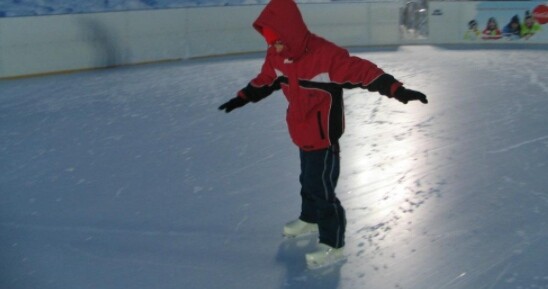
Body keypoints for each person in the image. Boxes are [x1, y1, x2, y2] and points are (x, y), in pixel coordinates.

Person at [218, 0, 428, 269]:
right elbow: (267, 79)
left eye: (278, 39)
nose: (274, 46)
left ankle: (333, 243)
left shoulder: (325, 56)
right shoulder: (276, 55)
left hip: (324, 136)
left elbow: (363, 71)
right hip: (301, 130)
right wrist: (243, 97)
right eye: (270, 40)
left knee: (322, 189)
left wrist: (397, 90)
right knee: (307, 180)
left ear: (290, 32)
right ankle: (309, 218)